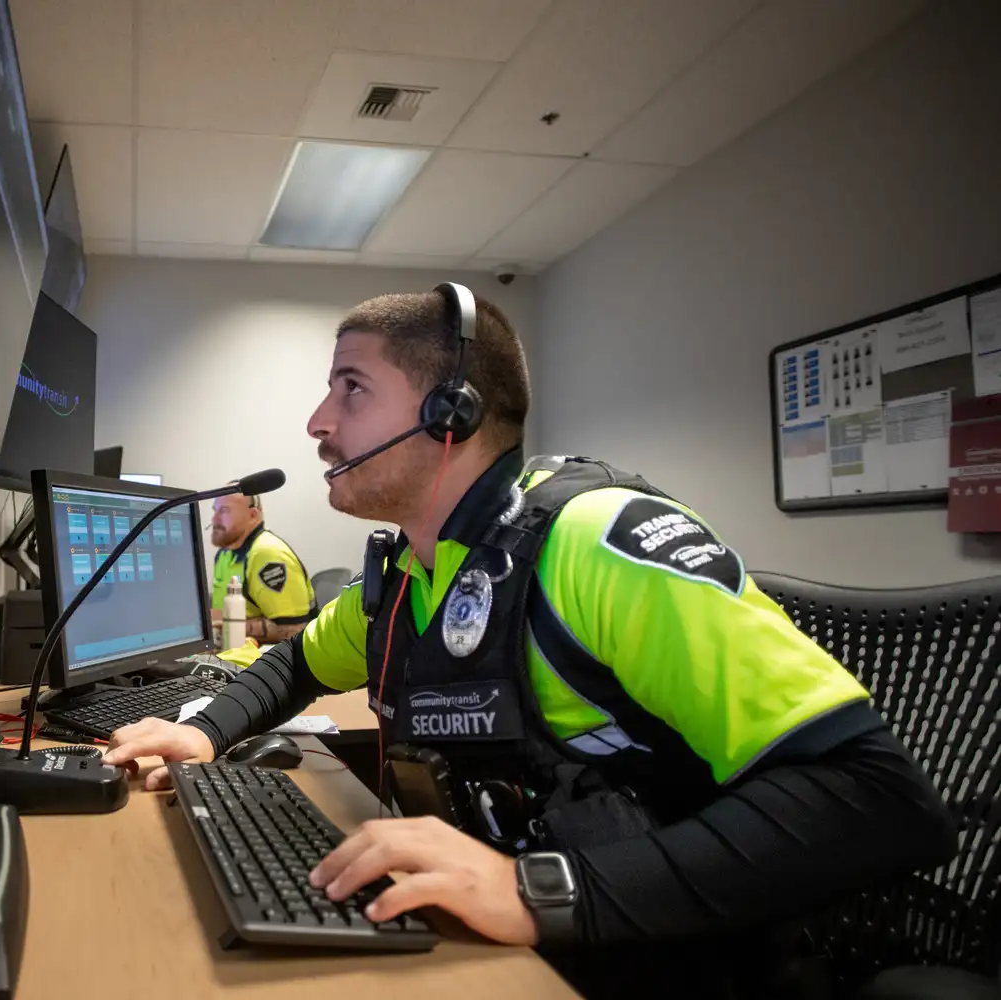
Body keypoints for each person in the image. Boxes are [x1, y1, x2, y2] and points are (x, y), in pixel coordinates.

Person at [104, 285, 955, 998]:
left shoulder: (594, 543)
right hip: (512, 949)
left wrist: (535, 888)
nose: (318, 421)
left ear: (450, 412)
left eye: (351, 389)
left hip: (649, 958)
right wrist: (205, 728)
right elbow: (295, 663)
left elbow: (879, 800)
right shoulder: (408, 573)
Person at [209, 490, 316, 644]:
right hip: (229, 648)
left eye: (224, 511)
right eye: (215, 510)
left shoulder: (268, 554)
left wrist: (229, 628)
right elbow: (218, 615)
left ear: (252, 515)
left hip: (271, 657)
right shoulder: (224, 554)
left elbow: (294, 630)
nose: (214, 519)